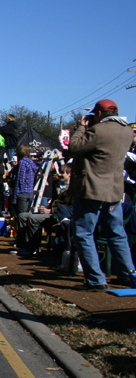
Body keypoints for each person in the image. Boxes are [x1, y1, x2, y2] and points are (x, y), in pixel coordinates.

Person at [69, 99, 136, 291]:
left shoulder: (97, 131)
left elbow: (74, 147)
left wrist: (81, 128)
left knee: (83, 233)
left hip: (92, 189)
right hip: (114, 190)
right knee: (117, 233)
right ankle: (128, 273)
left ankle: (95, 279)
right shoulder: (127, 132)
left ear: (99, 114)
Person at [15, 165, 72, 255]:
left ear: (69, 174)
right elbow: (53, 201)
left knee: (33, 219)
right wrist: (45, 208)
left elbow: (70, 208)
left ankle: (32, 248)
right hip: (49, 211)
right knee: (22, 216)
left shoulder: (72, 189)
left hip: (58, 216)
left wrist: (51, 211)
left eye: (62, 173)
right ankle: (23, 246)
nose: (59, 174)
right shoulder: (57, 185)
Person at [11, 144, 37, 220]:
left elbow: (20, 180)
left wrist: (15, 196)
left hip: (22, 192)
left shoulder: (22, 163)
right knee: (27, 215)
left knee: (22, 216)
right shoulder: (31, 162)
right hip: (30, 192)